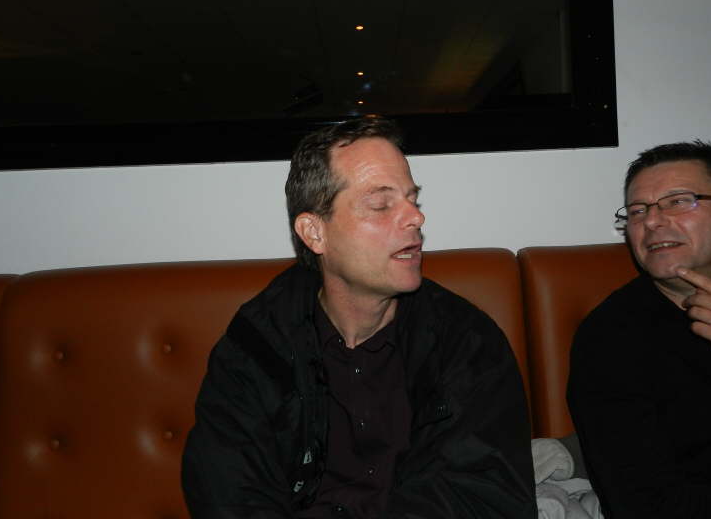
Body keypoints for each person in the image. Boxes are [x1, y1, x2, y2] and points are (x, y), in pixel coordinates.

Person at [181, 116, 536, 519]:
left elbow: (486, 497)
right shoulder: (257, 346)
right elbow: (228, 494)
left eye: (413, 200)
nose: (415, 218)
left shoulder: (465, 343)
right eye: (381, 204)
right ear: (315, 232)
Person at [567, 141, 711, 518]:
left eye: (678, 201)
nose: (652, 221)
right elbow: (649, 510)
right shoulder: (611, 340)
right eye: (637, 210)